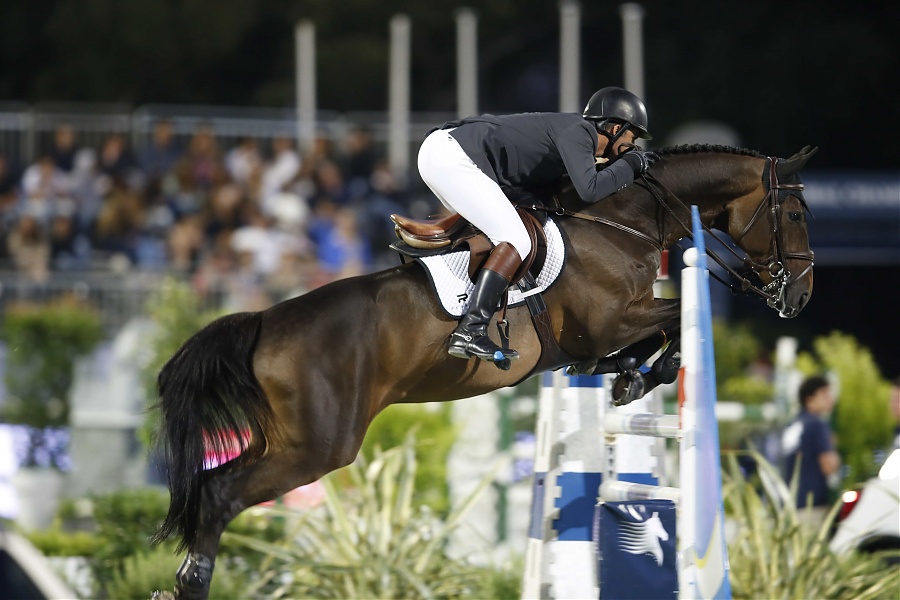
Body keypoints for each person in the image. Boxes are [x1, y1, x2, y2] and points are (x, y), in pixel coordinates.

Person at [417, 86, 657, 362]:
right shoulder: (580, 132)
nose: (634, 144)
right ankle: (471, 328)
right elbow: (589, 190)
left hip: (448, 155)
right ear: (615, 128)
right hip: (453, 156)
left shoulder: (575, 137)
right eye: (633, 135)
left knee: (510, 230)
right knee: (517, 239)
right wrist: (630, 165)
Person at [781, 375, 841, 527]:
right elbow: (828, 465)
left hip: (789, 504)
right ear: (809, 399)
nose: (830, 400)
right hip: (812, 505)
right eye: (825, 395)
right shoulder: (817, 424)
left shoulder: (793, 424)